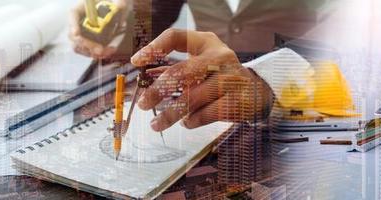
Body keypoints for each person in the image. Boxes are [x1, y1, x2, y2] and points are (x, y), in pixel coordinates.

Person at [69, 0, 330, 131]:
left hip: (311, 108)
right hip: (207, 109)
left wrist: (267, 78)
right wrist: (114, 23)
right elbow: (155, 13)